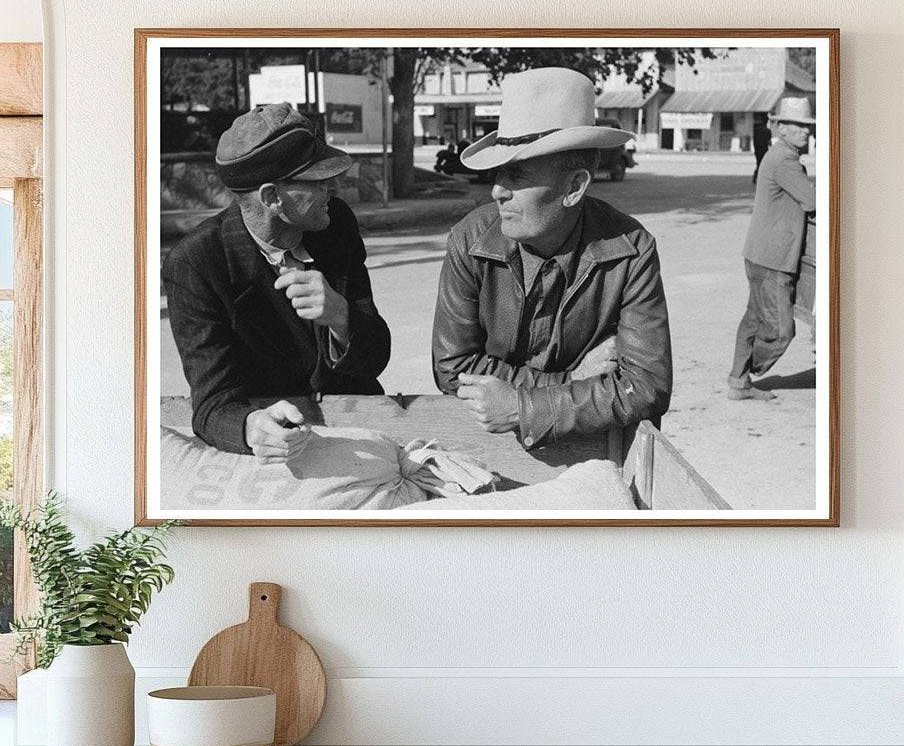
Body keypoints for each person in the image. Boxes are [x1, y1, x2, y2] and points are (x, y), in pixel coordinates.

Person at [431, 67, 672, 448]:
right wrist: (572, 383)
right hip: (492, 442)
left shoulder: (631, 250)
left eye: (516, 175)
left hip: (596, 452)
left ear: (574, 187)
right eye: (497, 173)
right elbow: (454, 369)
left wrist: (522, 405)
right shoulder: (470, 240)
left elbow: (646, 386)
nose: (496, 191)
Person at [163, 103, 391, 462]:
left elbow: (376, 358)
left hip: (357, 433)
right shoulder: (196, 263)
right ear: (272, 197)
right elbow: (212, 406)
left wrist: (341, 317)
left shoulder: (336, 224)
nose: (334, 187)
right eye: (319, 179)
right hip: (275, 455)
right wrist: (252, 426)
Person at [728, 96, 816, 401]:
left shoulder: (777, 155)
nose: (807, 132)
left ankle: (738, 382)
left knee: (754, 318)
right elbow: (814, 201)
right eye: (799, 126)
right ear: (782, 129)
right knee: (781, 330)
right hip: (774, 260)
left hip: (758, 254)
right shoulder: (785, 161)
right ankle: (748, 371)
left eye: (808, 127)